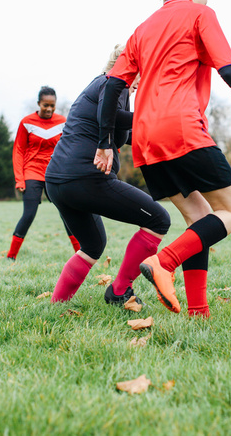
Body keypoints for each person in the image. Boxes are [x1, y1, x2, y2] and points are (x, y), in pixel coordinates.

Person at [96, 0, 231, 317]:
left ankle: (198, 312)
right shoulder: (201, 13)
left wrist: (105, 141)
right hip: (182, 130)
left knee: (199, 218)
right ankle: (164, 262)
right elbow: (229, 69)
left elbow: (112, 87)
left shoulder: (142, 29)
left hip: (145, 139)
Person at [45, 46, 171, 304]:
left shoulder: (105, 88)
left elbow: (122, 129)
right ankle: (118, 292)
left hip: (58, 182)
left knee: (93, 245)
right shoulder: (112, 83)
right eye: (142, 71)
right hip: (85, 178)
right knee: (159, 220)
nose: (142, 79)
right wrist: (156, 118)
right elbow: (113, 116)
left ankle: (57, 305)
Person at [6, 86, 80, 260]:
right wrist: (20, 179)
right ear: (39, 103)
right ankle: (11, 256)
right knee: (29, 214)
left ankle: (80, 255)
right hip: (32, 171)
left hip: (55, 173)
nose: (48, 109)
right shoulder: (26, 122)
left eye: (52, 105)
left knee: (67, 214)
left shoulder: (63, 121)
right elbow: (18, 150)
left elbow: (70, 148)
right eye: (45, 105)